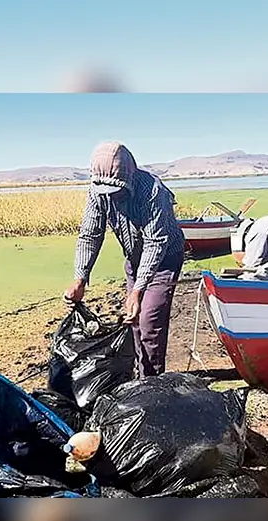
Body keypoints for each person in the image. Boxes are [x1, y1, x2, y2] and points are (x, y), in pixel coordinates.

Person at [64, 142, 185, 377]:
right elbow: (90, 235)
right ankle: (139, 373)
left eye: (116, 190)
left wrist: (137, 290)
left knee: (150, 321)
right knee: (134, 321)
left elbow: (155, 242)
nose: (111, 196)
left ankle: (152, 382)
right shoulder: (97, 192)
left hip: (165, 260)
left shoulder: (152, 191)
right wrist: (80, 278)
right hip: (134, 258)